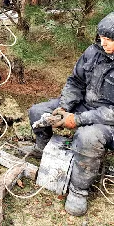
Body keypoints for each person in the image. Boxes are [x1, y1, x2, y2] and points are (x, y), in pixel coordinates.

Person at [29, 12, 114, 216]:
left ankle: (79, 189)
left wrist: (77, 120)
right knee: (38, 111)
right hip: (84, 105)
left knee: (87, 137)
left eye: (110, 40)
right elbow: (75, 81)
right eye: (102, 38)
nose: (104, 44)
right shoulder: (92, 52)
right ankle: (43, 149)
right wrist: (65, 108)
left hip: (109, 122)